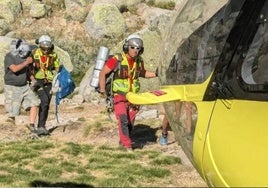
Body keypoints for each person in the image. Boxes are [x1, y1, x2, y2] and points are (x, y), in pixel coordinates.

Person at [98, 34, 157, 150]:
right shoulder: (116, 59)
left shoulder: (139, 61)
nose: (136, 51)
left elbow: (142, 73)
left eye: (138, 48)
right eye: (133, 48)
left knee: (130, 121)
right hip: (119, 95)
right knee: (123, 119)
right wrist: (102, 90)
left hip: (134, 96)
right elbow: (103, 73)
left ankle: (123, 140)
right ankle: (127, 145)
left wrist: (156, 74)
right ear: (126, 47)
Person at [4, 39, 40, 128]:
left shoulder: (26, 54)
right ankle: (10, 128)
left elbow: (27, 70)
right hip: (12, 87)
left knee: (35, 103)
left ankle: (31, 125)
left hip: (24, 86)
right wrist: (26, 62)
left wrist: (32, 79)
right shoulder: (9, 57)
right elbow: (14, 69)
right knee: (14, 111)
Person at [29, 35, 60, 136]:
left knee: (46, 104)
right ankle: (36, 125)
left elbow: (57, 67)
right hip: (38, 80)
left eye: (48, 47)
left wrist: (58, 76)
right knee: (44, 101)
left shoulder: (54, 55)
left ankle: (42, 126)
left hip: (49, 81)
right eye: (43, 47)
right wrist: (31, 79)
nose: (46, 50)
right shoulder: (34, 53)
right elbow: (28, 66)